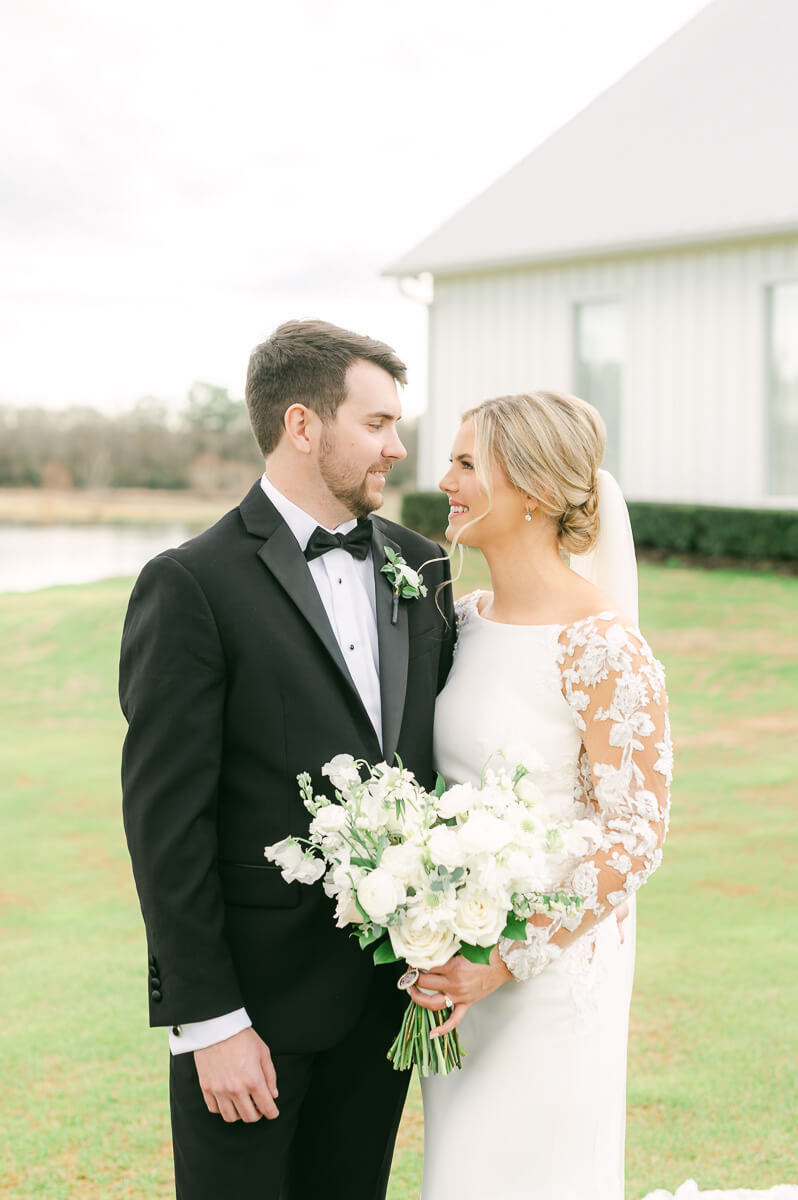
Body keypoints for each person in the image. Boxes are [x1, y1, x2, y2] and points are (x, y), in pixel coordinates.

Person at [119, 319, 455, 1200]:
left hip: (384, 1003)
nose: (399, 445)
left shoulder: (423, 571)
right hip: (251, 1020)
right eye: (377, 423)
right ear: (304, 426)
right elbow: (166, 825)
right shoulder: (191, 583)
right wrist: (209, 1021)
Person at [409, 390, 673, 1200]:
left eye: (465, 462)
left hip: (548, 978)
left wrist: (506, 955)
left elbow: (635, 833)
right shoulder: (465, 619)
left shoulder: (603, 647)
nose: (444, 479)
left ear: (529, 488)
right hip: (457, 974)